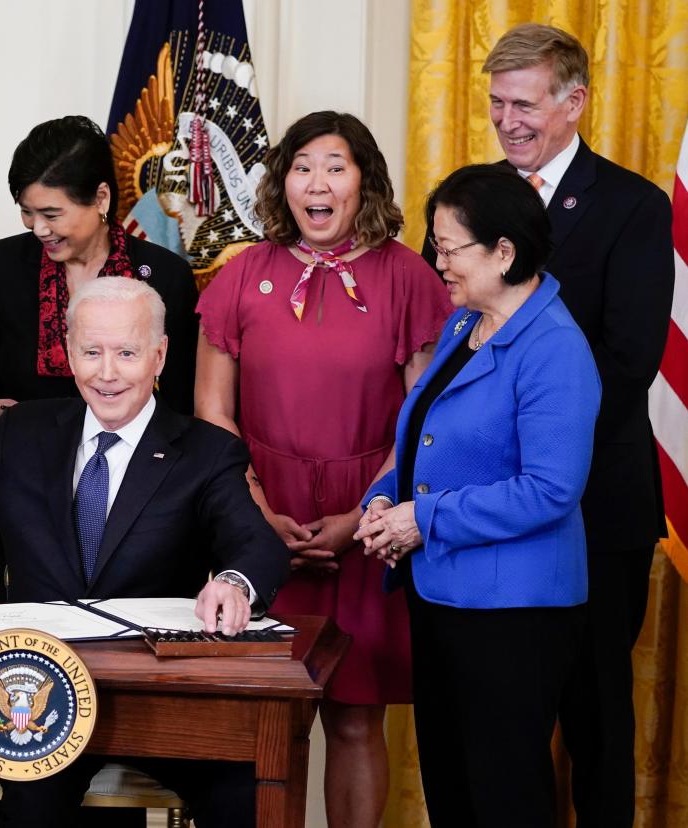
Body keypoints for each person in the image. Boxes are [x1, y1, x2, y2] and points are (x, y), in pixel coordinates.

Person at [0, 277, 289, 828]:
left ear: (159, 355)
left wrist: (234, 581)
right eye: (91, 352)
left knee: (245, 793)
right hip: (43, 700)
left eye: (127, 353)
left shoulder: (206, 453)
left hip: (161, 698)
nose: (107, 373)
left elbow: (257, 545)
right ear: (69, 353)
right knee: (30, 810)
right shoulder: (23, 433)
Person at [416, 25, 675, 825]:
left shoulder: (633, 205)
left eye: (523, 103)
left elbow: (630, 359)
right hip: (479, 521)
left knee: (594, 717)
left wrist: (521, 394)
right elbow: (453, 345)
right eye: (495, 102)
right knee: (484, 740)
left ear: (575, 102)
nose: (506, 120)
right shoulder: (475, 198)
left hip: (593, 507)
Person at [195, 110, 451, 826]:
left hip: (369, 523)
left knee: (355, 717)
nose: (317, 183)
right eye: (302, 166)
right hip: (257, 518)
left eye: (335, 167)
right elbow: (212, 416)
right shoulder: (242, 274)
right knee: (263, 722)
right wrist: (257, 516)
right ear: (282, 181)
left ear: (363, 180)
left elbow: (425, 425)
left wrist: (360, 518)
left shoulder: (410, 278)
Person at [358, 163, 601, 826]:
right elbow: (425, 432)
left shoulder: (554, 346)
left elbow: (550, 491)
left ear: (503, 251)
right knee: (452, 787)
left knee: (503, 796)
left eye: (448, 248)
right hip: (444, 596)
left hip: (513, 613)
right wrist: (383, 500)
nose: (436, 263)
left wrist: (422, 519)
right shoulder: (468, 325)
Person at [0, 115, 199, 602]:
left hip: (140, 508)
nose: (37, 228)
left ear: (102, 199)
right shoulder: (1, 267)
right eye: (27, 212)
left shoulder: (166, 277)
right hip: (25, 502)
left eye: (51, 213)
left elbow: (182, 409)